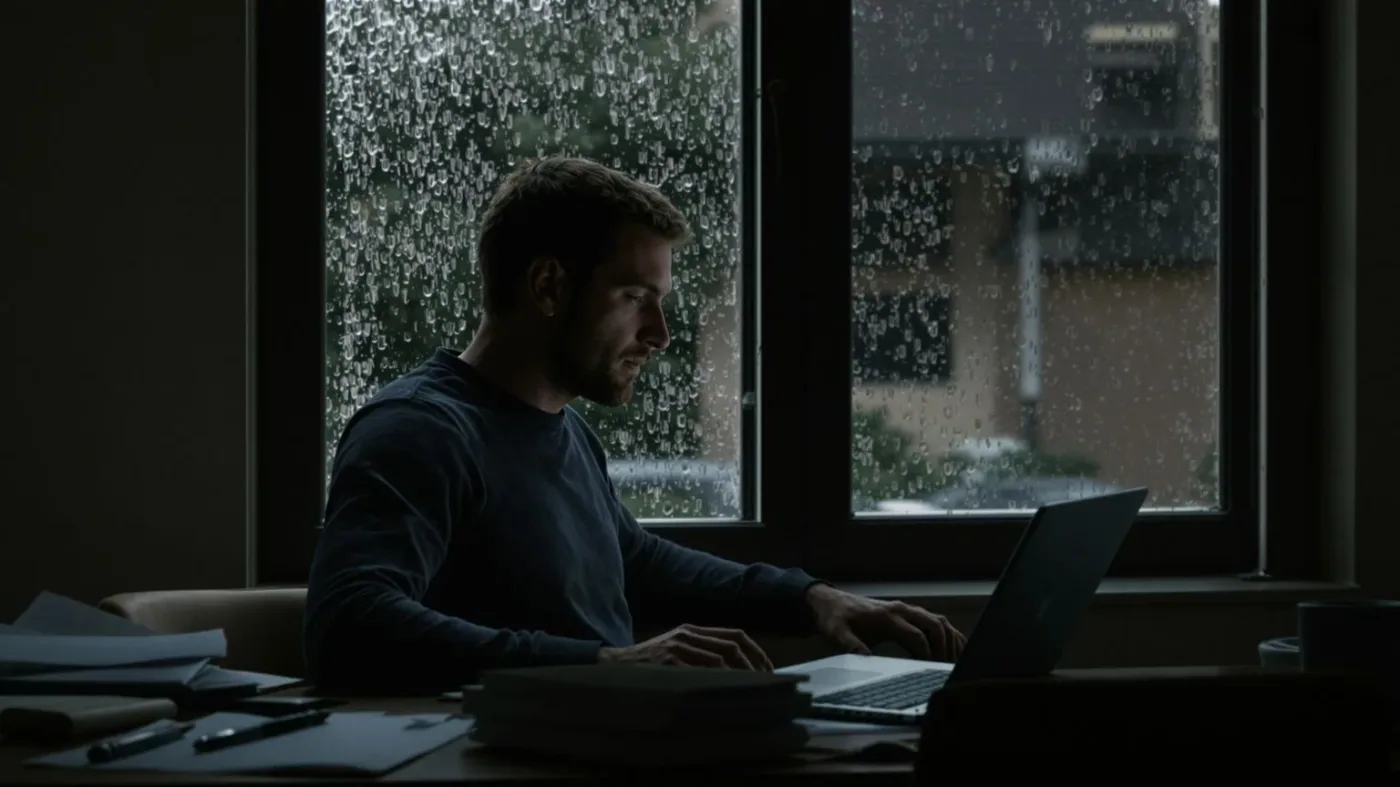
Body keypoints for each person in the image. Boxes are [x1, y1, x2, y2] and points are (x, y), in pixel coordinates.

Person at [304, 156, 966, 694]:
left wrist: (813, 599)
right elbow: (350, 621)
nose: (660, 334)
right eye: (634, 298)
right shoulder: (418, 431)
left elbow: (635, 560)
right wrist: (605, 666)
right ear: (548, 287)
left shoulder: (563, 432)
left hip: (605, 747)